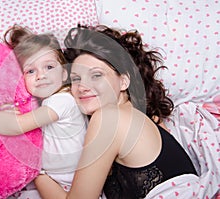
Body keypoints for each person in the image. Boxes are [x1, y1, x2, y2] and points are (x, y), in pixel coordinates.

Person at [34, 24, 198, 199]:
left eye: (96, 75)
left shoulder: (108, 117)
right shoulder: (143, 119)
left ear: (124, 81)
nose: (82, 86)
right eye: (76, 79)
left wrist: (35, 173)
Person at [0, 25, 88, 195]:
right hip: (54, 179)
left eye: (49, 67)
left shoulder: (63, 101)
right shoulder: (41, 103)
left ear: (64, 74)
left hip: (70, 183)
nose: (41, 75)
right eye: (31, 71)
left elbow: (18, 125)